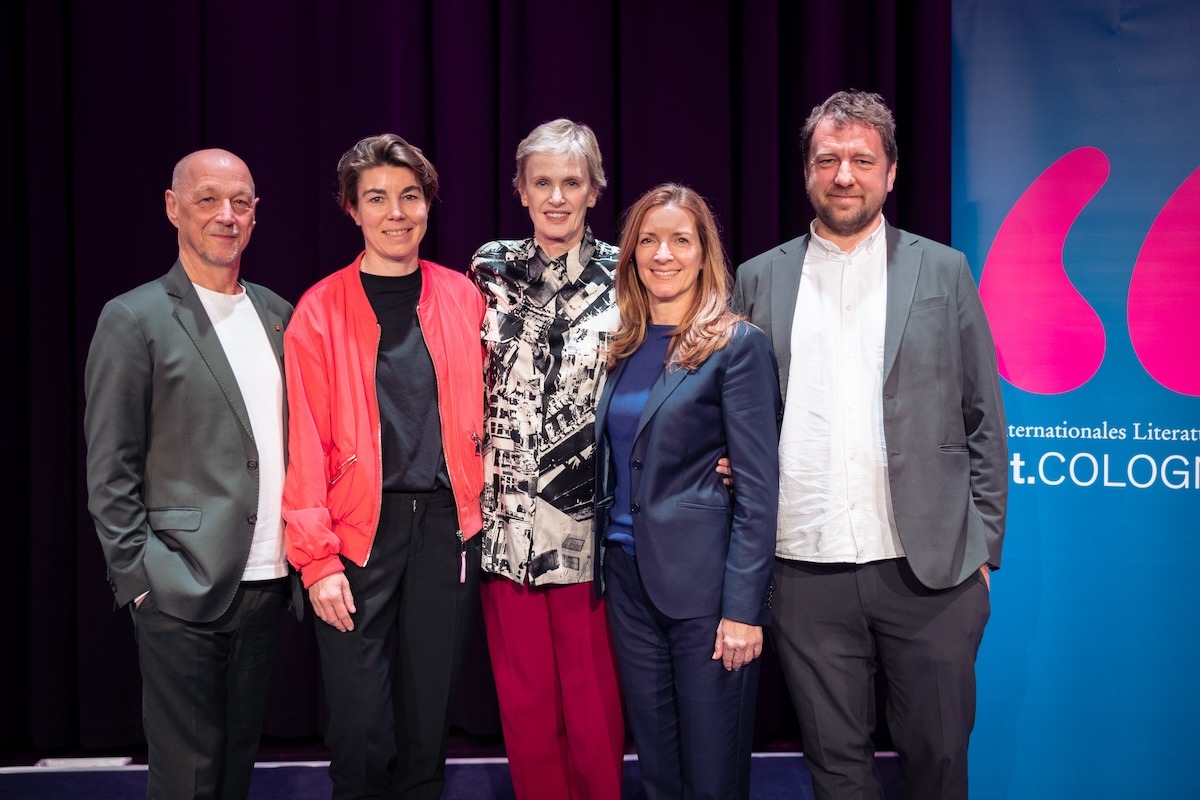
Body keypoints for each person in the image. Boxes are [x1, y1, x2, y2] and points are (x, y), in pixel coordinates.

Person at [733, 90, 1008, 800]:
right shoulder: (759, 277)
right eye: (828, 159)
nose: (844, 175)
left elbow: (983, 416)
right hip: (805, 569)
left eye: (861, 160)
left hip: (934, 575)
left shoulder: (943, 270)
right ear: (807, 173)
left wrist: (983, 553)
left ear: (890, 173)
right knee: (837, 772)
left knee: (939, 763)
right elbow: (734, 411)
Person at [84, 149, 294, 799]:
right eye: (207, 199)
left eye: (241, 202)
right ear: (174, 208)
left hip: (267, 585)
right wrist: (141, 580)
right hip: (179, 585)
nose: (226, 215)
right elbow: (109, 466)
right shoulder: (134, 318)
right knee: (187, 779)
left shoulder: (279, 315)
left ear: (256, 214)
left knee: (234, 772)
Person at [282, 134, 485, 799]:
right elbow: (304, 444)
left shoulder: (464, 298)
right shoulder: (318, 311)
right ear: (352, 209)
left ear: (428, 204)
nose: (396, 212)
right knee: (362, 730)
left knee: (428, 732)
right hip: (354, 538)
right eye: (377, 198)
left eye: (409, 196)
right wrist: (316, 563)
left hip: (444, 532)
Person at [594, 184, 780, 800]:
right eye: (648, 240)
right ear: (631, 254)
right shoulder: (623, 344)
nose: (663, 253)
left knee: (712, 772)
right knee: (658, 771)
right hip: (627, 579)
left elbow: (758, 491)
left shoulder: (738, 346)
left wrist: (743, 610)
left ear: (704, 253)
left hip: (706, 592)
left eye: (680, 240)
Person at [469, 119, 626, 800]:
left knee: (593, 710)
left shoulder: (631, 273)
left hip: (591, 531)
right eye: (543, 183)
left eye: (571, 182)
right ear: (520, 191)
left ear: (594, 189)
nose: (557, 197)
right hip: (506, 524)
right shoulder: (488, 268)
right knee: (526, 707)